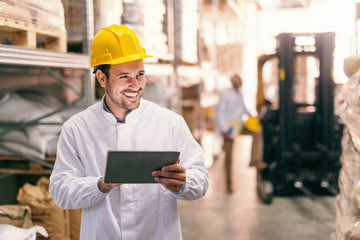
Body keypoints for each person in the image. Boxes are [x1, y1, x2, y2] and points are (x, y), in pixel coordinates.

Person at [49, 24, 209, 240]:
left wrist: (184, 182)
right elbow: (60, 191)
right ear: (101, 78)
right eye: (124, 76)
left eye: (140, 74)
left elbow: (201, 180)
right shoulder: (77, 128)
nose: (136, 85)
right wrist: (100, 185)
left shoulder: (170, 123)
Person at [216, 74, 264, 193]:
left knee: (257, 132)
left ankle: (254, 159)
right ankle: (228, 184)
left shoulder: (240, 95)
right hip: (230, 128)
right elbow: (220, 113)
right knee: (229, 157)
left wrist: (253, 115)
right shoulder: (225, 95)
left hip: (239, 125)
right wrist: (225, 130)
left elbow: (243, 109)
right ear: (234, 83)